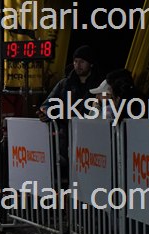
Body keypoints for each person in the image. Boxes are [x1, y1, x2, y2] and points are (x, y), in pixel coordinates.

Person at [36, 45, 102, 180]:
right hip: (66, 137)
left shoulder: (100, 84)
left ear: (91, 63)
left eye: (82, 61)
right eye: (75, 61)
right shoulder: (64, 84)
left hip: (92, 137)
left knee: (90, 175)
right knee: (69, 175)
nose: (78, 65)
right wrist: (45, 113)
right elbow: (47, 104)